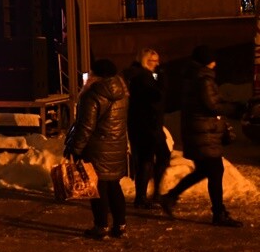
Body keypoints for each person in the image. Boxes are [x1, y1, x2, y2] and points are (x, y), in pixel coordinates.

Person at [160, 45, 243, 227]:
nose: (215, 62)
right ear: (208, 61)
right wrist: (234, 108)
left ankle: (171, 196)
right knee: (215, 171)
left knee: (206, 170)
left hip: (197, 130)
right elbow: (212, 105)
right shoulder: (203, 79)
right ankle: (218, 213)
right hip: (204, 132)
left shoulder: (193, 76)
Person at [64, 59, 130, 239]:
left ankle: (101, 226)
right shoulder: (122, 92)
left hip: (97, 148)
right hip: (116, 146)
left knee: (98, 188)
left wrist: (75, 149)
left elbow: (85, 126)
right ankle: (120, 225)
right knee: (114, 186)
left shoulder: (93, 94)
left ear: (95, 75)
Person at [123, 48, 169, 208]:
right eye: (152, 61)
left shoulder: (141, 75)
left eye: (157, 61)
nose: (156, 64)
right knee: (147, 159)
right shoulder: (142, 76)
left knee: (154, 157)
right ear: (143, 60)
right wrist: (162, 79)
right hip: (146, 124)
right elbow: (157, 97)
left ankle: (148, 195)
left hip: (149, 123)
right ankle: (143, 196)